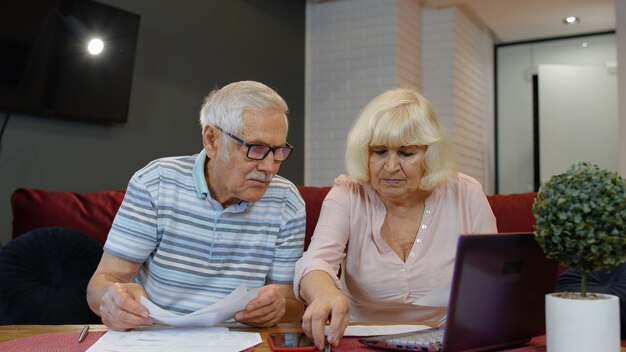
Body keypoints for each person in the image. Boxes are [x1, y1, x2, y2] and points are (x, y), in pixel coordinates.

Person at [87, 80, 306, 330]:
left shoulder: (287, 201)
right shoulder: (155, 183)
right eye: (256, 149)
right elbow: (100, 285)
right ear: (212, 140)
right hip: (157, 337)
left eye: (278, 151)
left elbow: (292, 304)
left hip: (240, 341)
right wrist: (112, 300)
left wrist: (278, 308)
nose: (270, 167)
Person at [293, 88, 498, 349]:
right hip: (360, 338)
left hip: (447, 337)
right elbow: (316, 261)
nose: (390, 167)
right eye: (379, 152)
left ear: (430, 155)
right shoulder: (348, 193)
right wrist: (325, 293)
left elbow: (493, 278)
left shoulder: (466, 193)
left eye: (406, 153)